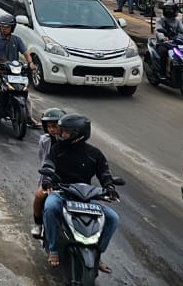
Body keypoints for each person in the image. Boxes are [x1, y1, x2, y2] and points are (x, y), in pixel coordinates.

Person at [41, 114, 120, 272]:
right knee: (50, 208)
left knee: (112, 218)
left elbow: (104, 173)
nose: (60, 134)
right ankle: (53, 249)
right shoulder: (58, 149)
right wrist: (48, 179)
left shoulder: (94, 154)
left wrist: (110, 187)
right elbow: (49, 164)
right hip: (62, 192)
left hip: (86, 195)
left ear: (77, 134)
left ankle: (98, 254)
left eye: (65, 132)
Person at [0, 14, 39, 129]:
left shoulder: (17, 40)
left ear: (12, 27)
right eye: (2, 26)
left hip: (14, 72)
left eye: (7, 27)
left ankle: (29, 117)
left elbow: (25, 53)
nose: (4, 28)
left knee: (25, 95)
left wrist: (30, 63)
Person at [30, 107, 67, 239]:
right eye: (49, 126)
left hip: (68, 177)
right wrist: (48, 175)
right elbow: (43, 159)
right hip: (49, 175)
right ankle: (38, 224)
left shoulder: (69, 141)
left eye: (55, 126)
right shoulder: (44, 141)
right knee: (39, 196)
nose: (52, 129)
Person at [152, 1, 183, 79]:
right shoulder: (160, 20)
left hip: (174, 42)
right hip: (163, 43)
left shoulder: (177, 21)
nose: (169, 11)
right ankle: (162, 73)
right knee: (164, 52)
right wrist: (163, 38)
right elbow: (158, 30)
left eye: (171, 10)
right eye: (167, 10)